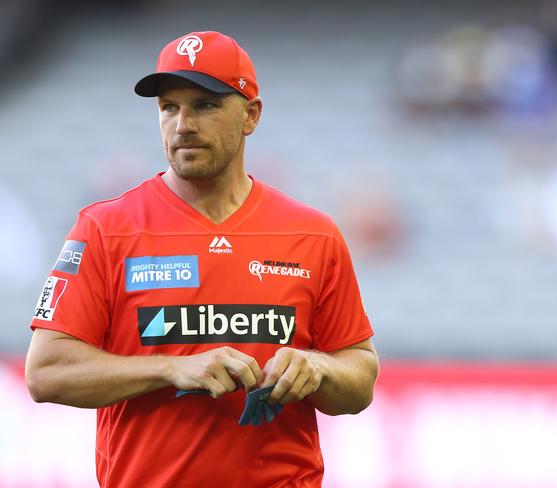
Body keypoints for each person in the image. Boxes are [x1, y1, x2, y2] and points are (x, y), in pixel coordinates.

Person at [25, 30, 378, 488]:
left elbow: (360, 379)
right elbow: (46, 373)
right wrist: (170, 366)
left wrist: (321, 367)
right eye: (169, 107)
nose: (183, 124)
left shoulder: (313, 233)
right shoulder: (105, 228)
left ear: (251, 115)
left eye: (205, 105)